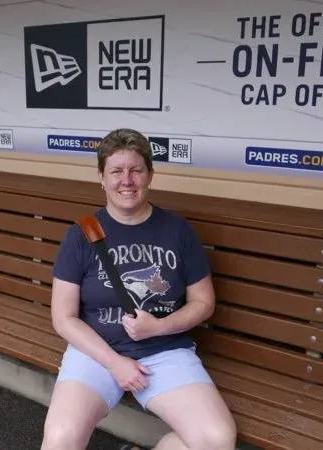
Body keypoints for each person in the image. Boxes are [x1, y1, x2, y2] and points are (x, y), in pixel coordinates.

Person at [41, 128, 237, 450]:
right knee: (61, 437)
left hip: (164, 351)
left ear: (150, 176)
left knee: (216, 439)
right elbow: (63, 318)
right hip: (96, 351)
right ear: (102, 179)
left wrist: (160, 326)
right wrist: (114, 362)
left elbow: (203, 302)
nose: (126, 180)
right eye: (116, 171)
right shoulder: (81, 235)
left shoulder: (177, 230)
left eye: (136, 170)